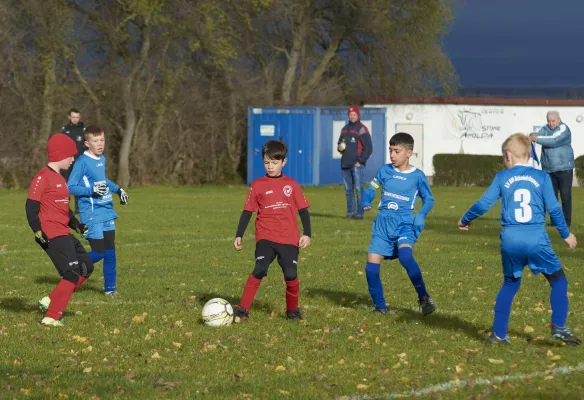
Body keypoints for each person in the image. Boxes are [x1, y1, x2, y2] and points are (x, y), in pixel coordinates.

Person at [459, 133, 580, 345]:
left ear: (507, 155)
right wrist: (566, 234)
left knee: (510, 283)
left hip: (510, 239)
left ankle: (498, 335)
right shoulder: (542, 177)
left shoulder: (502, 178)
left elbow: (483, 203)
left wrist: (465, 219)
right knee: (559, 281)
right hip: (536, 239)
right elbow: (554, 209)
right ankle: (558, 326)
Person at [233, 140, 311, 321]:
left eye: (274, 163)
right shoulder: (257, 184)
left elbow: (303, 212)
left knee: (291, 274)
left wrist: (307, 233)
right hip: (265, 236)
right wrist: (239, 235)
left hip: (289, 237)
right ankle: (242, 310)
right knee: (259, 269)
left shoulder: (292, 185)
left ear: (284, 162)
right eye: (266, 162)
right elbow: (247, 212)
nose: (270, 166)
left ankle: (292, 312)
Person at [360, 132, 435, 315]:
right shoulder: (385, 171)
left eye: (397, 151)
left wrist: (421, 215)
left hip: (404, 223)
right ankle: (381, 307)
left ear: (408, 153)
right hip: (383, 223)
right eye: (390, 150)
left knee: (406, 257)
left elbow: (429, 199)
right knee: (371, 269)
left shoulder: (417, 176)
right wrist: (366, 200)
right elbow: (372, 189)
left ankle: (424, 297)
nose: (392, 155)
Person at [25, 133, 94, 327]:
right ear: (60, 155)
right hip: (51, 234)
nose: (73, 159)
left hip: (64, 231)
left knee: (86, 267)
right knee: (71, 273)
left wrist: (77, 225)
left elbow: (65, 209)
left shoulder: (60, 179)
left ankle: (50, 300)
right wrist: (37, 231)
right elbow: (31, 207)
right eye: (71, 156)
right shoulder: (42, 177)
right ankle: (51, 316)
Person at [67, 126, 129, 296]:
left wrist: (118, 190)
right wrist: (91, 191)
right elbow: (70, 186)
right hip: (92, 214)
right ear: (87, 143)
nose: (100, 144)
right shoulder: (81, 162)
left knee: (110, 251)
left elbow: (103, 180)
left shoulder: (101, 158)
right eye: (95, 141)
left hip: (106, 211)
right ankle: (71, 270)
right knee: (99, 252)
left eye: (102, 140)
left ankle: (110, 289)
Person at [529, 110, 574, 227]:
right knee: (552, 198)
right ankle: (554, 221)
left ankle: (567, 222)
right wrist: (532, 134)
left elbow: (554, 140)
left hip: (564, 168)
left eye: (553, 121)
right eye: (549, 121)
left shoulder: (564, 129)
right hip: (548, 169)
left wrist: (536, 138)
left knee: (565, 196)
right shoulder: (545, 128)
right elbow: (537, 134)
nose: (551, 123)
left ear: (558, 120)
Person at [337, 106, 372, 220]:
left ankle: (360, 214)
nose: (352, 116)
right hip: (345, 164)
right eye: (350, 114)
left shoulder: (362, 129)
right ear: (348, 115)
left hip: (356, 165)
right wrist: (340, 147)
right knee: (348, 190)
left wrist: (360, 161)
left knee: (358, 189)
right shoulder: (344, 129)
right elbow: (340, 145)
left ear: (358, 115)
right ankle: (350, 213)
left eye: (354, 114)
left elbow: (369, 148)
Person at [59, 108, 86, 213]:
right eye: (73, 117)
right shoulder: (64, 130)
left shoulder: (84, 130)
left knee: (78, 184)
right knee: (65, 185)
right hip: (67, 162)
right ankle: (64, 207)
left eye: (77, 117)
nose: (75, 119)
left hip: (79, 162)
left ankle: (79, 208)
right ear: (69, 117)